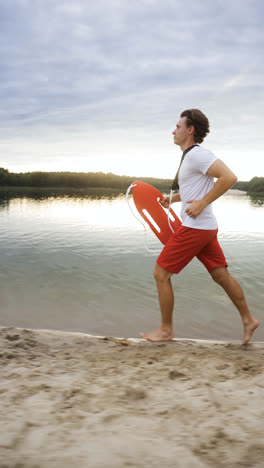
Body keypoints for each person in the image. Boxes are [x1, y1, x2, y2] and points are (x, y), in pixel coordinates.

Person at [140, 109, 259, 345]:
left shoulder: (198, 155)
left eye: (177, 126)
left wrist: (203, 203)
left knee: (160, 273)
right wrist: (172, 199)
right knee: (221, 275)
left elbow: (229, 177)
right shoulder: (189, 157)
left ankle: (165, 330)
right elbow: (194, 191)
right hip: (205, 227)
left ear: (190, 130)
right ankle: (248, 320)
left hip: (195, 228)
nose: (173, 131)